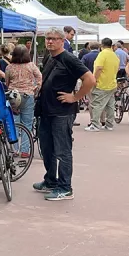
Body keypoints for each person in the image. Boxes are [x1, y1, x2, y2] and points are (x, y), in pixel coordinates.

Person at [32, 28, 95, 201]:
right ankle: (51, 181)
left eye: (53, 39)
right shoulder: (49, 57)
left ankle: (65, 188)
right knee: (47, 148)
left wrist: (75, 97)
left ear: (62, 40)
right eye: (47, 39)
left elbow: (90, 79)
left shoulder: (69, 58)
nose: (50, 42)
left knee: (62, 151)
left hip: (61, 113)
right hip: (45, 111)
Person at [5, 45, 42, 155]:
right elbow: (39, 78)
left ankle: (14, 149)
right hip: (27, 95)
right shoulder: (31, 66)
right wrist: (36, 88)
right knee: (27, 123)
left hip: (13, 96)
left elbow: (7, 82)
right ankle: (25, 150)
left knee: (14, 123)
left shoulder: (9, 67)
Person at [85, 38, 119, 132]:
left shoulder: (102, 54)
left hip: (102, 83)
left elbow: (99, 68)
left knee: (96, 104)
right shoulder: (114, 55)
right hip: (112, 83)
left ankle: (95, 125)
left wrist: (94, 79)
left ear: (101, 45)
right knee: (110, 105)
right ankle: (109, 124)